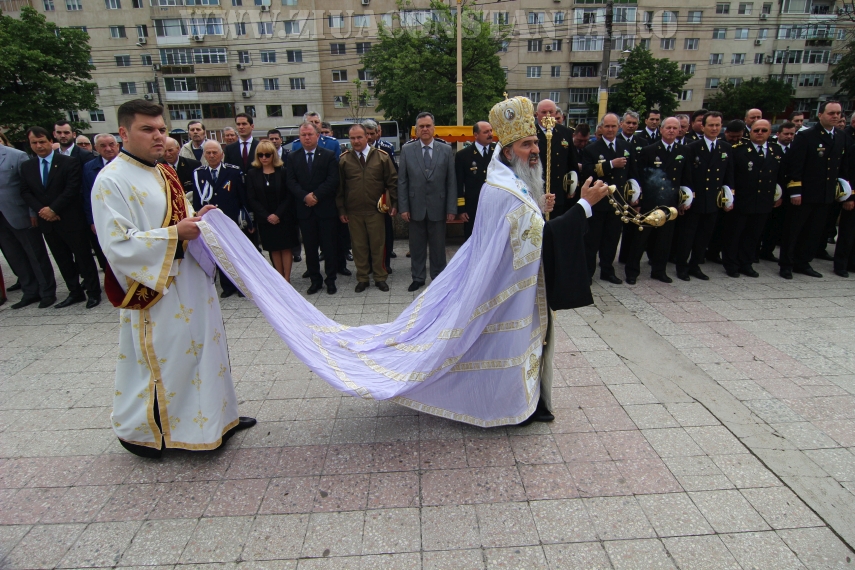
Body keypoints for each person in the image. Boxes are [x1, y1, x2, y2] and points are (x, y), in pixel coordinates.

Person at [189, 95, 609, 427]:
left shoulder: (507, 180)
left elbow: (522, 230)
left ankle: (524, 399)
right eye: (527, 143)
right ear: (507, 148)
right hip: (502, 294)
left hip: (502, 288)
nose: (534, 149)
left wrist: (540, 204)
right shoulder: (505, 190)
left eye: (535, 140)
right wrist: (584, 209)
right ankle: (510, 405)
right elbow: (532, 244)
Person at [90, 99, 255, 458]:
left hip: (192, 283)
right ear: (124, 133)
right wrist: (175, 235)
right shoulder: (110, 181)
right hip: (156, 290)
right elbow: (117, 245)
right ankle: (157, 435)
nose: (158, 136)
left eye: (162, 129)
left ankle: (215, 419)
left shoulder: (164, 172)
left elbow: (183, 215)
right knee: (172, 360)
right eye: (147, 129)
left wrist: (200, 218)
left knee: (206, 353)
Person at [20, 126, 101, 308]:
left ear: (51, 141)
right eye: (34, 143)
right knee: (62, 259)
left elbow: (72, 189)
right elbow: (25, 192)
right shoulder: (27, 166)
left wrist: (54, 209)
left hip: (71, 219)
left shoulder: (68, 162)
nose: (39, 146)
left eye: (42, 141)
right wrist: (42, 210)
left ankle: (93, 292)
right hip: (47, 222)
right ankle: (75, 292)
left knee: (83, 257)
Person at [780, 101, 846, 279]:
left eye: (838, 113)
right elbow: (795, 165)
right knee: (794, 230)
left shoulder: (840, 137)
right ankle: (786, 264)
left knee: (814, 231)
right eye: (831, 113)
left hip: (825, 193)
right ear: (820, 115)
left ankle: (803, 262)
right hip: (805, 193)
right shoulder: (806, 136)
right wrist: (795, 191)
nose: (835, 116)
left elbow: (839, 167)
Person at [625, 117, 690, 285]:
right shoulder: (649, 150)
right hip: (650, 200)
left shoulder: (683, 151)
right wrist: (638, 200)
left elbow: (686, 177)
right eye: (668, 127)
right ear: (661, 130)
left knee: (665, 239)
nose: (671, 131)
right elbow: (640, 176)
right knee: (641, 238)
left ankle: (659, 271)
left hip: (670, 201)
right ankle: (632, 271)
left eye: (675, 128)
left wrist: (685, 199)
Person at [398, 111, 457, 292]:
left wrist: (451, 208)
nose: (425, 129)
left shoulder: (446, 150)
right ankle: (418, 277)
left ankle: (438, 278)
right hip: (415, 207)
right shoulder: (407, 150)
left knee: (438, 246)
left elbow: (451, 181)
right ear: (416, 130)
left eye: (428, 126)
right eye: (421, 126)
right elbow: (402, 181)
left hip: (438, 207)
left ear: (434, 128)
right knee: (416, 246)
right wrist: (403, 207)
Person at [337, 124, 398, 292]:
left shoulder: (382, 157)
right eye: (352, 138)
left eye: (359, 137)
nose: (356, 141)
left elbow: (392, 182)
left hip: (376, 211)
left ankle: (380, 277)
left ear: (367, 137)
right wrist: (342, 210)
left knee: (378, 245)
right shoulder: (344, 160)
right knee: (359, 247)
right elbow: (340, 188)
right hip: (354, 212)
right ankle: (363, 278)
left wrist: (394, 205)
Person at [723, 119, 786, 278]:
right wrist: (730, 197)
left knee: (754, 235)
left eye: (764, 130)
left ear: (769, 132)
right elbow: (730, 176)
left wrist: (779, 194)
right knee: (735, 234)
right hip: (743, 200)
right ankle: (731, 264)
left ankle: (746, 263)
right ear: (749, 132)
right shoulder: (738, 150)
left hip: (763, 200)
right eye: (756, 130)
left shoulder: (775, 151)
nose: (760, 133)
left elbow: (779, 176)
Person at [675, 111, 734, 281]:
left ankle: (695, 265)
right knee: (687, 236)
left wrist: (729, 197)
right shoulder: (692, 148)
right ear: (703, 126)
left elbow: (728, 176)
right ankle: (682, 266)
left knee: (704, 236)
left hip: (713, 201)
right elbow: (686, 175)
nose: (714, 128)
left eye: (717, 125)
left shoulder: (725, 148)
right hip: (695, 200)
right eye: (711, 125)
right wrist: (685, 198)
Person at [581, 113, 637, 285]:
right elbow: (587, 171)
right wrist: (611, 164)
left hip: (618, 202)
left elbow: (632, 173)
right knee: (592, 241)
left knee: (612, 240)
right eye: (607, 126)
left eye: (613, 126)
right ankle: (588, 273)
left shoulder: (626, 146)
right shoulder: (592, 148)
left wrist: (635, 193)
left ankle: (607, 270)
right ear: (601, 128)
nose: (610, 129)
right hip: (598, 201)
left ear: (619, 126)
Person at [0, 138, 57, 309]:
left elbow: (29, 187)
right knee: (14, 255)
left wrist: (34, 211)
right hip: (1, 219)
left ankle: (47, 291)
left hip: (20, 213)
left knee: (35, 254)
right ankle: (30, 291)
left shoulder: (16, 156)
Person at [287, 122, 341, 295]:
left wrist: (316, 195)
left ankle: (330, 280)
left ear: (317, 135)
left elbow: (333, 180)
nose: (307, 137)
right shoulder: (293, 157)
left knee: (329, 247)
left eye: (310, 134)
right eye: (303, 135)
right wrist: (305, 196)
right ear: (299, 137)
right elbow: (291, 181)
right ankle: (315, 280)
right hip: (305, 211)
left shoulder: (328, 155)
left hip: (325, 209)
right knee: (310, 249)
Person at [191, 140, 249, 298]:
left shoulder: (233, 172)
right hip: (210, 221)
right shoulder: (199, 173)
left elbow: (242, 197)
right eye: (208, 153)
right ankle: (227, 286)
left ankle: (241, 285)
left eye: (214, 152)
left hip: (230, 219)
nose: (211, 156)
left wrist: (247, 219)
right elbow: (197, 199)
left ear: (221, 154)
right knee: (219, 254)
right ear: (204, 155)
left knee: (236, 253)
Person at [245, 141, 298, 282]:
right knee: (273, 248)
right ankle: (279, 277)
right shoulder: (252, 173)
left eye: (267, 154)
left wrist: (277, 214)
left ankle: (287, 278)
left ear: (273, 155)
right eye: (260, 155)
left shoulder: (283, 172)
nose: (264, 157)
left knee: (286, 247)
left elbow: (289, 195)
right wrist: (267, 216)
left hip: (284, 216)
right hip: (265, 218)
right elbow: (251, 198)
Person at [82, 133, 122, 270]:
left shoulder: (128, 164)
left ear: (118, 146)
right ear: (96, 148)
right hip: (103, 217)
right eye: (103, 146)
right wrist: (91, 220)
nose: (108, 148)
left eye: (111, 144)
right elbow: (88, 196)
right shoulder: (89, 167)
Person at [759, 121, 797, 262]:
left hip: (783, 193)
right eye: (786, 134)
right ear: (778, 134)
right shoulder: (774, 149)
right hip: (767, 193)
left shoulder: (793, 149)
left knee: (776, 225)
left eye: (791, 134)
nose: (788, 137)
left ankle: (767, 250)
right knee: (763, 225)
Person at [536, 99, 579, 216]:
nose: (547, 115)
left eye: (551, 112)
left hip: (559, 190)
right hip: (537, 189)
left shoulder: (565, 132)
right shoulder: (530, 133)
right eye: (544, 112)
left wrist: (572, 186)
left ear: (556, 113)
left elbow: (572, 161)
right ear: (537, 114)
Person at [364, 119, 397, 270]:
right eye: (367, 134)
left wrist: (393, 201)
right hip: (363, 199)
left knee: (385, 231)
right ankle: (370, 263)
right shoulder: (357, 151)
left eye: (372, 133)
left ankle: (385, 262)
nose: (369, 137)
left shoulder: (386, 149)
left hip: (382, 197)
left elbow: (393, 174)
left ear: (377, 134)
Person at [456, 122, 495, 241]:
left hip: (494, 205)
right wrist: (461, 209)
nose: (490, 134)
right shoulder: (463, 155)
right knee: (473, 241)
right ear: (476, 135)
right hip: (473, 207)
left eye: (490, 131)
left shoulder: (499, 152)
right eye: (485, 132)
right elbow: (458, 183)